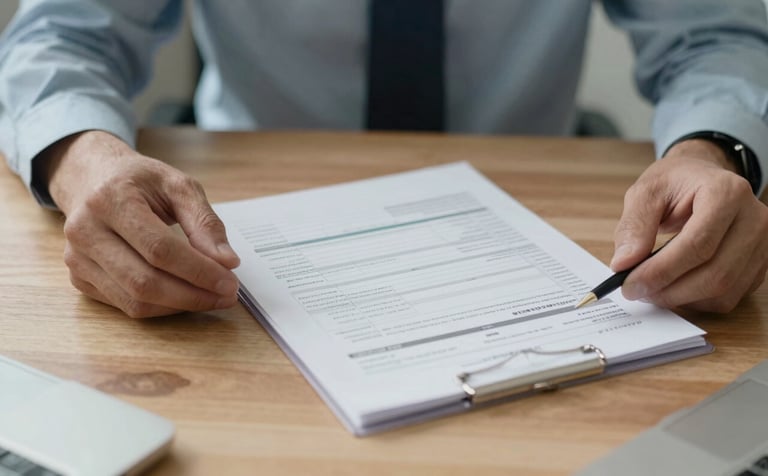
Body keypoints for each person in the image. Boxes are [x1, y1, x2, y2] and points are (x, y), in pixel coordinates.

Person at [1, 1, 768, 318]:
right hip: (241, 222)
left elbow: (715, 36)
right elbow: (61, 36)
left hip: (537, 199)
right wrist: (82, 157)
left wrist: (716, 151)